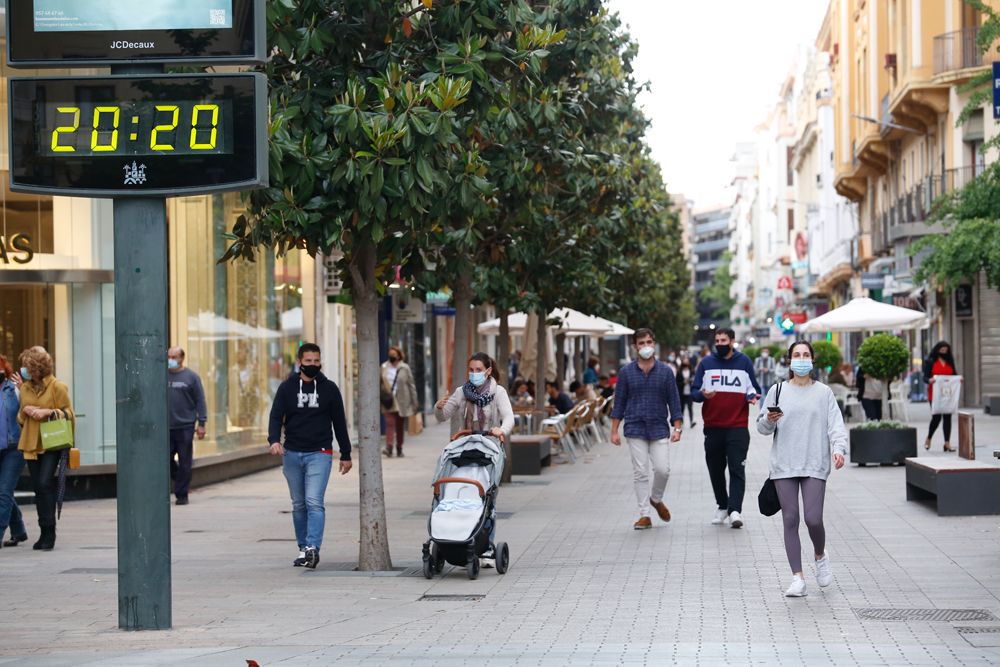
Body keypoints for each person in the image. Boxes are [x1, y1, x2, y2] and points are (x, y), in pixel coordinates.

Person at [757, 340, 847, 597]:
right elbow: (761, 428)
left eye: (806, 354)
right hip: (784, 464)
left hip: (815, 462)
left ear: (813, 360)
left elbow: (836, 426)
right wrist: (769, 420)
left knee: (813, 519)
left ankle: (820, 555)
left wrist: (839, 450)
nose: (801, 359)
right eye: (797, 355)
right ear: (789, 360)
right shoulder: (777, 391)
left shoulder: (824, 393)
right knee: (790, 519)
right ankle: (797, 577)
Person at [268, 343, 353, 570]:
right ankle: (304, 548)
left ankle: (313, 547)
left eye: (316, 361)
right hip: (292, 453)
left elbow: (339, 423)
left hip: (320, 452)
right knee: (298, 504)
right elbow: (276, 415)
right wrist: (274, 440)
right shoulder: (287, 388)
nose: (313, 365)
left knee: (314, 501)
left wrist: (346, 453)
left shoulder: (329, 389)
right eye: (308, 361)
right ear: (299, 362)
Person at [435, 352, 514, 565]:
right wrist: (439, 407)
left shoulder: (499, 392)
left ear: (488, 371)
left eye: (479, 370)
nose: (474, 373)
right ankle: (458, 536)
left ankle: (486, 545)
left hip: (490, 449)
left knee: (488, 499)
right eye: (471, 369)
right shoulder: (462, 392)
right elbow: (444, 416)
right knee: (461, 493)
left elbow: (509, 417)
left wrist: (501, 430)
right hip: (467, 447)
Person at [609, 328, 683, 530]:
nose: (645, 347)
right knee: (640, 472)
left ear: (654, 343)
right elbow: (619, 402)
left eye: (648, 342)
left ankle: (656, 499)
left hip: (659, 426)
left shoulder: (666, 372)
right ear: (635, 347)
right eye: (641, 343)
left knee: (663, 469)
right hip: (635, 427)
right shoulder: (626, 372)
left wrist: (677, 428)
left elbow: (674, 401)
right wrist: (614, 430)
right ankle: (644, 515)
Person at [691, 328, 761, 529]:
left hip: (737, 426)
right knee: (715, 469)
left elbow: (754, 388)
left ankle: (735, 510)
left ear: (732, 341)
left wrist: (752, 396)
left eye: (724, 340)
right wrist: (703, 394)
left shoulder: (744, 362)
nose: (720, 343)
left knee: (737, 469)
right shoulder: (706, 363)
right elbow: (694, 392)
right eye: (717, 340)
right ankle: (722, 505)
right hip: (713, 427)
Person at [17, 346, 74, 551]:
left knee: (44, 483)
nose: (23, 370)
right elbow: (21, 418)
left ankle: (49, 532)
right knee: (38, 487)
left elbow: (68, 413)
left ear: (37, 368)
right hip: (31, 442)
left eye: (26, 366)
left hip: (51, 442)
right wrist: (26, 411)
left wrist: (48, 412)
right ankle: (44, 532)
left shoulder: (57, 386)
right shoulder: (24, 388)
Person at [167, 347, 207, 506]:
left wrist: (202, 423)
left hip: (185, 426)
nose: (170, 359)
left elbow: (200, 401)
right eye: (168, 356)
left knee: (185, 461)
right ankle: (180, 481)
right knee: (165, 460)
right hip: (166, 427)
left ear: (181, 358)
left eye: (173, 356)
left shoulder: (191, 377)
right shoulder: (162, 376)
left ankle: (182, 494)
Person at [0, 355, 27, 548]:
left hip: (14, 448)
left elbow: (28, 408)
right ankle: (19, 531)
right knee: (4, 493)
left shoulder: (14, 389)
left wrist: (23, 389)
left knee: (4, 492)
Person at [381, 346, 419, 458]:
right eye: (390, 354)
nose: (391, 356)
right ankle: (389, 447)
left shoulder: (404, 368)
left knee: (399, 425)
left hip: (402, 400)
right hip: (388, 400)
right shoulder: (384, 367)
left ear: (398, 355)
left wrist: (414, 401)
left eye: (394, 354)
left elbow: (411, 385)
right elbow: (380, 383)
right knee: (389, 423)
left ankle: (399, 447)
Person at [923, 341, 958, 452]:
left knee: (947, 416)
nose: (944, 352)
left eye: (946, 351)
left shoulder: (949, 361)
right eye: (942, 350)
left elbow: (954, 375)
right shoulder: (931, 361)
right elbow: (925, 377)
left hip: (947, 393)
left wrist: (958, 379)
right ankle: (929, 438)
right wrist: (930, 380)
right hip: (934, 394)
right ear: (937, 350)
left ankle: (947, 443)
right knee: (936, 417)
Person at [676, 357, 696, 428]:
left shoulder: (692, 371)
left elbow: (695, 380)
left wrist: (690, 381)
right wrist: (683, 382)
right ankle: (682, 422)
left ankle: (691, 422)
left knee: (690, 408)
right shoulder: (679, 372)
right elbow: (677, 383)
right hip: (682, 393)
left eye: (687, 362)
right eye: (685, 362)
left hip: (689, 393)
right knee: (682, 408)